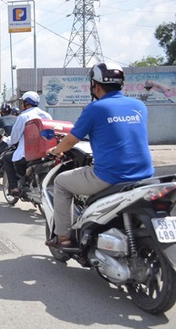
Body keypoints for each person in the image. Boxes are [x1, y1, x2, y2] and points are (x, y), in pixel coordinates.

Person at [45, 62, 154, 248]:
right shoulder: (139, 106)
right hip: (145, 174)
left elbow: (71, 140)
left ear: (95, 85)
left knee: (61, 182)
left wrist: (55, 150)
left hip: (110, 175)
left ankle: (63, 237)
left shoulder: (95, 108)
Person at [2, 91, 52, 196]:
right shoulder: (46, 115)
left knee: (6, 158)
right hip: (45, 152)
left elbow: (14, 138)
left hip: (27, 154)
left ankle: (14, 187)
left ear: (26, 103)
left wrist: (7, 140)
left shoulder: (23, 116)